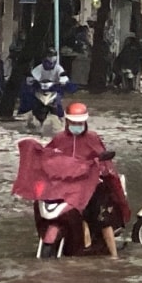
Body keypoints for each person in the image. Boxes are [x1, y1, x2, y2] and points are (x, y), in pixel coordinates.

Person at [46, 103, 126, 258]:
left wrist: (98, 167)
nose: (77, 126)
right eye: (74, 123)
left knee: (104, 219)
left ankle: (114, 255)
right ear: (67, 122)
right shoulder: (59, 139)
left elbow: (103, 159)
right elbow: (48, 156)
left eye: (80, 123)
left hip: (92, 186)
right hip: (67, 187)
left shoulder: (93, 138)